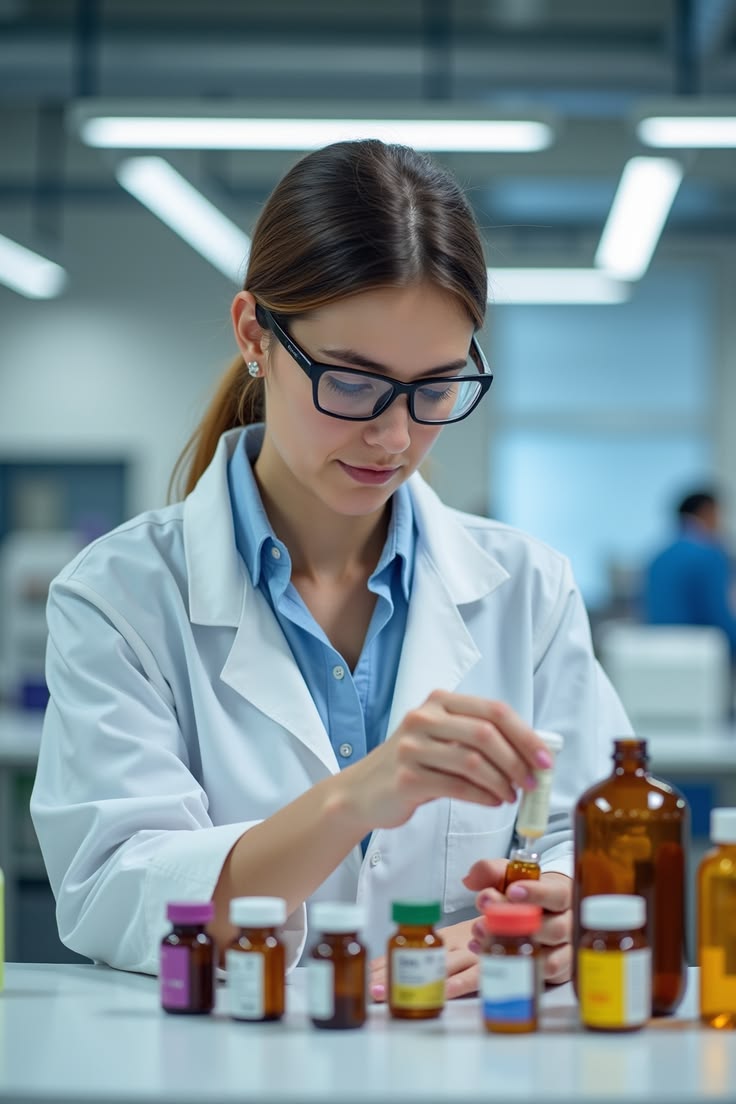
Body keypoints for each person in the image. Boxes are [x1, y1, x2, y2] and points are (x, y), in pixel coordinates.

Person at [30, 139, 631, 1000]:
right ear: (254, 337)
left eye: (436, 387)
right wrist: (358, 798)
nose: (394, 438)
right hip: (226, 1066)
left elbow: (590, 832)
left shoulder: (527, 588)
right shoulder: (120, 595)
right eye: (352, 382)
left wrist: (562, 905)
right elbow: (118, 889)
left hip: (470, 1063)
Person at [643, 488, 736, 659]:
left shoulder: (657, 557)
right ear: (707, 512)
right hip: (700, 658)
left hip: (657, 656)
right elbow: (718, 615)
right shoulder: (710, 554)